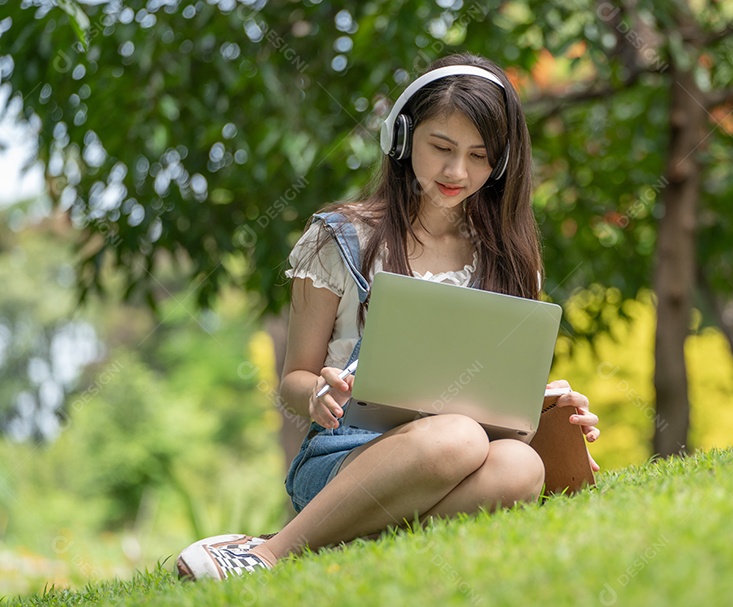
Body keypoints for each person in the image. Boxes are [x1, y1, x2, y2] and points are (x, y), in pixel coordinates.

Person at [175, 53, 601, 581]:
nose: (456, 172)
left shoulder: (511, 260)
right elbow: (293, 380)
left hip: (466, 460)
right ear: (400, 139)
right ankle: (268, 555)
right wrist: (318, 395)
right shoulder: (341, 239)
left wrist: (550, 412)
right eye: (441, 148)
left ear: (504, 163)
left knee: (522, 468)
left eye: (479, 156)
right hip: (344, 456)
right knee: (457, 436)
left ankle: (329, 543)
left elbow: (502, 414)